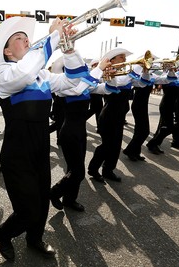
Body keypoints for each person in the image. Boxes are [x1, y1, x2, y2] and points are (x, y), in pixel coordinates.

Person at [0, 16, 90, 261]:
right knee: (28, 208)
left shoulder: (42, 75)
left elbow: (76, 83)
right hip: (17, 151)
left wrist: (69, 50)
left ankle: (35, 239)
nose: (27, 41)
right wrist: (54, 36)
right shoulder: (2, 73)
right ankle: (4, 233)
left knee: (42, 201)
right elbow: (22, 74)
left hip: (41, 146)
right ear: (7, 51)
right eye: (19, 39)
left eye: (27, 38)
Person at [50, 57, 112, 212]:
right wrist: (99, 69)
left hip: (79, 132)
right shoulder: (63, 88)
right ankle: (53, 193)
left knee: (74, 169)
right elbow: (78, 90)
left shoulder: (83, 85)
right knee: (78, 172)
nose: (82, 71)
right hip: (69, 133)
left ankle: (69, 200)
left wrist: (111, 76)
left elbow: (105, 89)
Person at [87, 47, 136, 183]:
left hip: (119, 115)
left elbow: (142, 83)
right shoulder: (108, 74)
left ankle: (108, 170)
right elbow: (114, 86)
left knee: (116, 146)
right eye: (121, 57)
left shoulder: (126, 74)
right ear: (112, 60)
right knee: (107, 145)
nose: (125, 59)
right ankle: (93, 168)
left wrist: (143, 72)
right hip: (108, 115)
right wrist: (116, 74)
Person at [85, 59, 104, 128]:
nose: (97, 65)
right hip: (92, 93)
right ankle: (82, 119)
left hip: (98, 93)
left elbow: (102, 81)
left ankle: (100, 126)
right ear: (93, 65)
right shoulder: (92, 72)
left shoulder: (100, 72)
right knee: (94, 109)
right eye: (96, 64)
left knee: (98, 109)